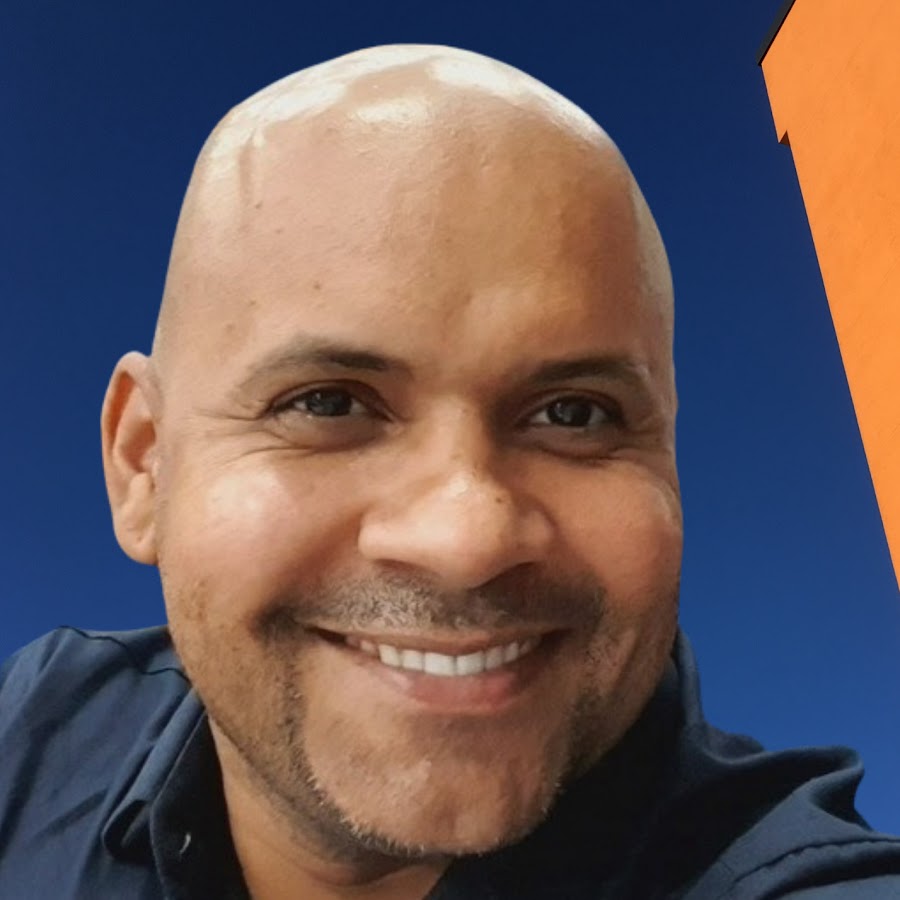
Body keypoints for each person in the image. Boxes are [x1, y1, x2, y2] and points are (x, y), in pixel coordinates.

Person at [1, 44, 898, 900]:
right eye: (328, 403)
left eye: (574, 414)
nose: (467, 539)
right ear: (144, 465)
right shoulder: (39, 728)